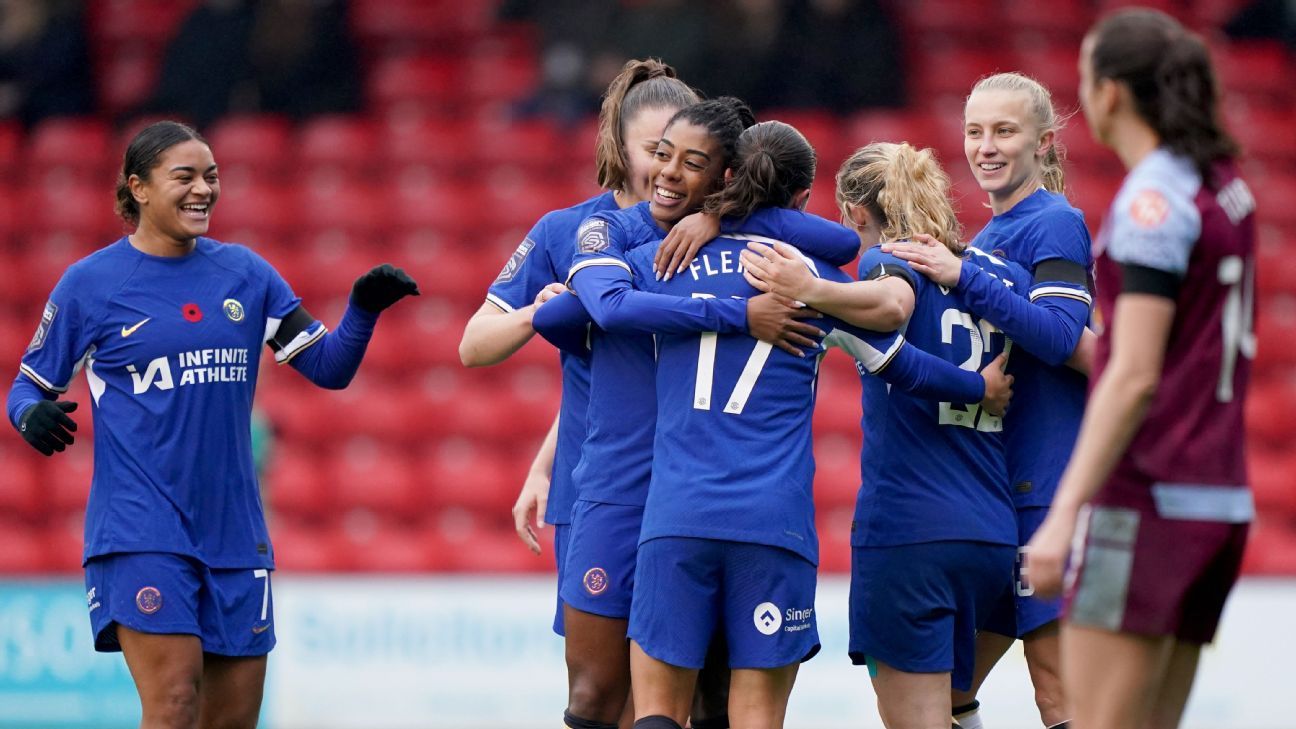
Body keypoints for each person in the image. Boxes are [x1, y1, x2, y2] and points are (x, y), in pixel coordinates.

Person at [6, 121, 418, 729]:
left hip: (234, 533)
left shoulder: (246, 275)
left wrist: (361, 310)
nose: (204, 189)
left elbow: (328, 369)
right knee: (174, 704)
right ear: (138, 188)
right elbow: (25, 388)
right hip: (139, 528)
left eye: (212, 176)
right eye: (185, 177)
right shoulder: (90, 285)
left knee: (231, 721)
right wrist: (29, 414)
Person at [741, 142, 1030, 729]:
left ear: (853, 211)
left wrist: (811, 287)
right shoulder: (996, 274)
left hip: (911, 535)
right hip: (995, 532)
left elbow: (893, 306)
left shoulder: (884, 262)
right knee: (959, 709)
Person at [1026, 9, 1256, 729]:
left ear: (1113, 93)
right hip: (1218, 501)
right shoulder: (1222, 185)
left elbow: (1132, 372)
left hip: (1147, 500)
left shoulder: (1151, 200)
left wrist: (1063, 516)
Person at [881, 72, 1094, 729]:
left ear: (1043, 141)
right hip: (995, 494)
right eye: (975, 131)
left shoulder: (1056, 222)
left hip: (1045, 488)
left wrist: (963, 275)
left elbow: (1062, 337)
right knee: (947, 685)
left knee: (1058, 690)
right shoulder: (990, 237)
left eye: (1004, 130)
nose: (986, 145)